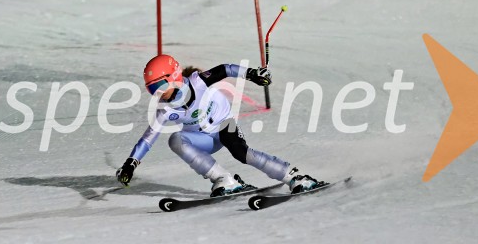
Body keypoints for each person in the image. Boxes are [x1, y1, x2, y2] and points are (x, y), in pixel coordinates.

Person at [115, 54, 322, 196]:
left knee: (242, 153)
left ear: (174, 76)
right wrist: (131, 164)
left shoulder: (197, 82)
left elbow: (225, 69)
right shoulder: (165, 109)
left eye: (160, 86)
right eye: (152, 89)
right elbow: (148, 139)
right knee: (175, 139)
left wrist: (252, 74)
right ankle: (224, 179)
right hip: (203, 140)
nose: (158, 93)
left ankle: (295, 177)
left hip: (224, 124)